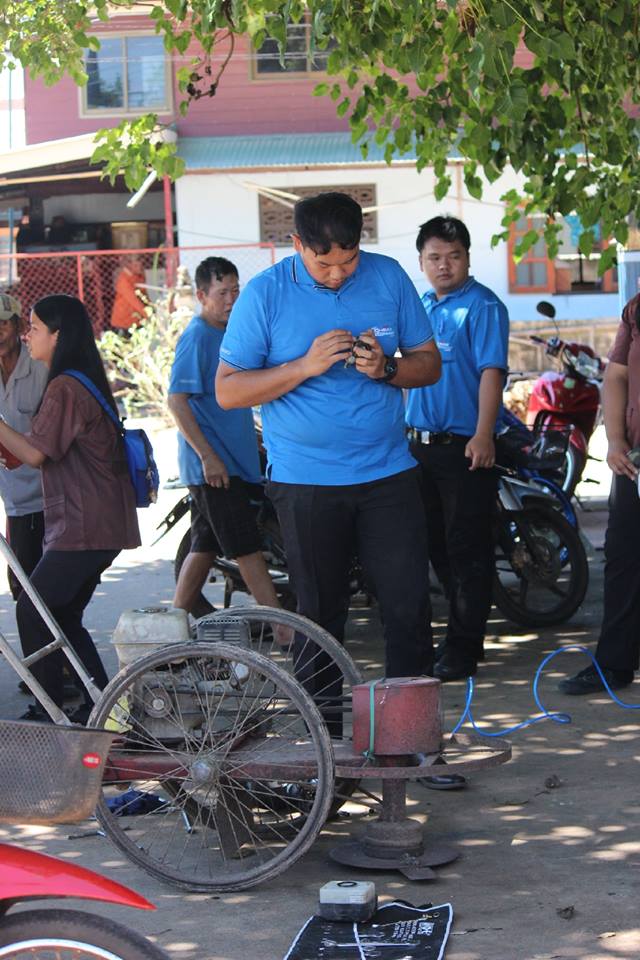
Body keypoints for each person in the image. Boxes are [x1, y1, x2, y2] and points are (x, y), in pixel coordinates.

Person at [216, 192, 441, 685]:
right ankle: (325, 732)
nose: (338, 274)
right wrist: (303, 366)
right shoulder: (265, 294)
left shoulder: (388, 277)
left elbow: (429, 364)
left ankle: (407, 732)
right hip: (306, 481)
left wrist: (387, 369)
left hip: (389, 473)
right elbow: (228, 391)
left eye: (349, 259)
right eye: (324, 264)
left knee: (408, 608)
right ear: (296, 244)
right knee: (319, 617)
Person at [0, 294, 140, 723]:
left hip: (85, 523)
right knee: (62, 615)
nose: (28, 336)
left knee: (33, 610)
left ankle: (51, 711)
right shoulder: (78, 379)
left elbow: (36, 453)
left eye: (34, 329)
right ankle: (102, 709)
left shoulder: (64, 387)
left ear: (58, 336)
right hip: (96, 520)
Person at [406, 216, 509, 683]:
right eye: (434, 257)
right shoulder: (421, 306)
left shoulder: (482, 306)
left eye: (453, 256)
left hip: (466, 449)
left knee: (468, 549)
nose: (444, 265)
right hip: (418, 448)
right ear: (421, 262)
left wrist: (484, 434)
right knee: (434, 546)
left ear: (467, 257)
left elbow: (492, 372)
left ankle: (464, 649)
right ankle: (460, 635)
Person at [168, 256, 284, 615]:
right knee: (246, 547)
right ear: (202, 296)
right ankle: (283, 629)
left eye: (236, 290)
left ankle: (172, 623)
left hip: (233, 461)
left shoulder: (228, 334)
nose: (231, 300)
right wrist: (208, 456)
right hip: (216, 468)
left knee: (204, 545)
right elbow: (177, 401)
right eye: (222, 293)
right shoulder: (197, 337)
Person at [558, 294, 640, 695]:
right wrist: (616, 440)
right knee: (623, 557)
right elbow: (617, 376)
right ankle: (613, 664)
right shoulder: (636, 309)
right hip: (635, 460)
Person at [0, 294, 47, 598]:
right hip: (13, 498)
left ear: (18, 326)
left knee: (44, 591)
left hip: (48, 496)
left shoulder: (40, 366)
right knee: (22, 588)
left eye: (2, 325)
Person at [110, 254, 146, 332]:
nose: (139, 267)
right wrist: (148, 314)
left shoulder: (137, 276)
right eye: (136, 265)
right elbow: (133, 300)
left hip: (135, 320)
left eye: (140, 265)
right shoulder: (123, 280)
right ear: (129, 265)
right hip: (123, 322)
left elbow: (144, 295)